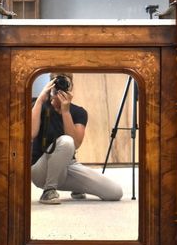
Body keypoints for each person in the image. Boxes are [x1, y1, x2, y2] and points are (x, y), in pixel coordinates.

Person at [31, 72, 123, 205]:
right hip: (40, 171)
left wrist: (66, 111)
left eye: (64, 84)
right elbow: (31, 134)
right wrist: (40, 100)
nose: (60, 87)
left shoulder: (78, 112)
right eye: (56, 83)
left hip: (68, 167)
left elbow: (76, 144)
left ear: (71, 87)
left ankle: (76, 186)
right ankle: (49, 190)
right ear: (50, 85)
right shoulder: (39, 105)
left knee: (115, 192)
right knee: (66, 141)